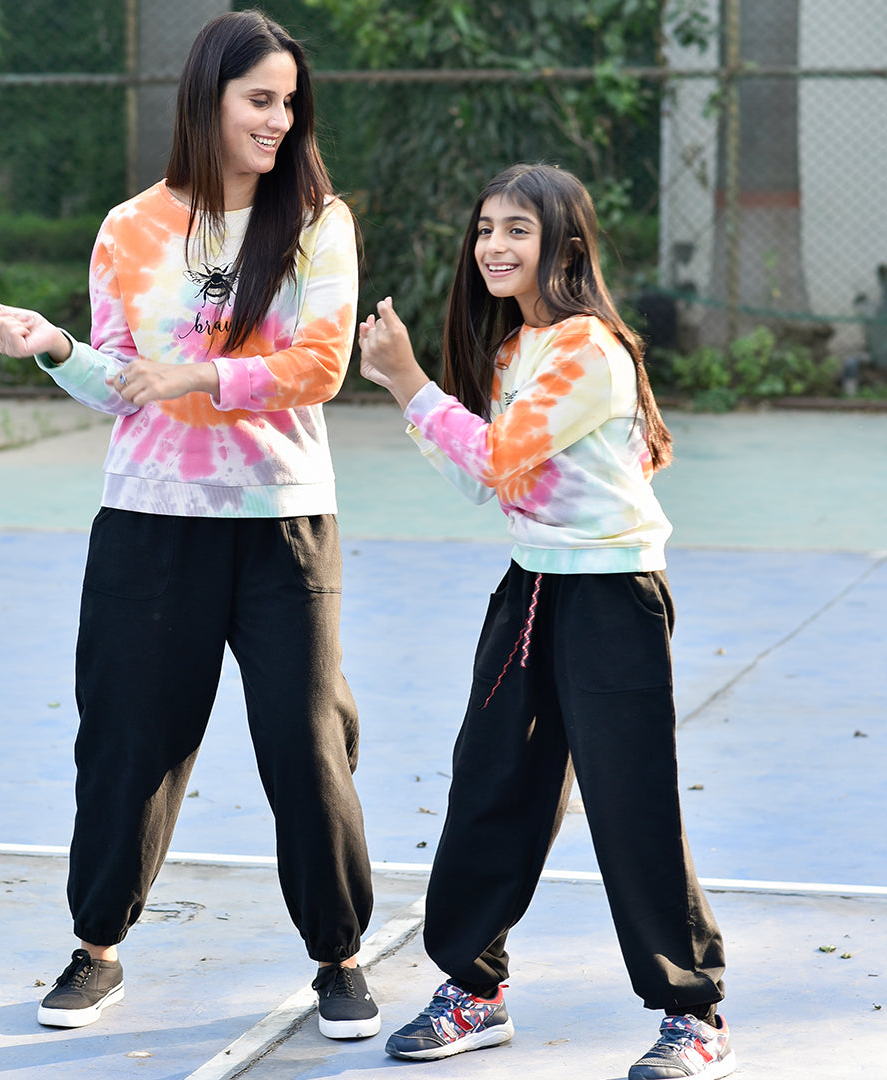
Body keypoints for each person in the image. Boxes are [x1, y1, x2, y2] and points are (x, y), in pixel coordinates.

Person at [0, 10, 380, 1040]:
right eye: (260, 100)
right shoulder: (131, 227)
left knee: (305, 742)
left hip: (282, 520)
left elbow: (320, 367)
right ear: (208, 100)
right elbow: (121, 383)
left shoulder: (318, 222)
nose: (279, 121)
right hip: (149, 522)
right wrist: (53, 347)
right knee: (128, 740)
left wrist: (197, 373)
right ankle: (97, 949)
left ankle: (339, 958)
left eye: (289, 103)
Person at [356, 163, 733, 1079]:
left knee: (630, 802)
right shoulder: (510, 352)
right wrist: (411, 396)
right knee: (491, 785)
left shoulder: (588, 350)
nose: (493, 244)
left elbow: (495, 458)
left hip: (612, 595)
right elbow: (485, 480)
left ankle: (693, 1015)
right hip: (532, 588)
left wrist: (409, 381)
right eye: (485, 227)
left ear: (563, 246)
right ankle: (474, 990)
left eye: (516, 229)